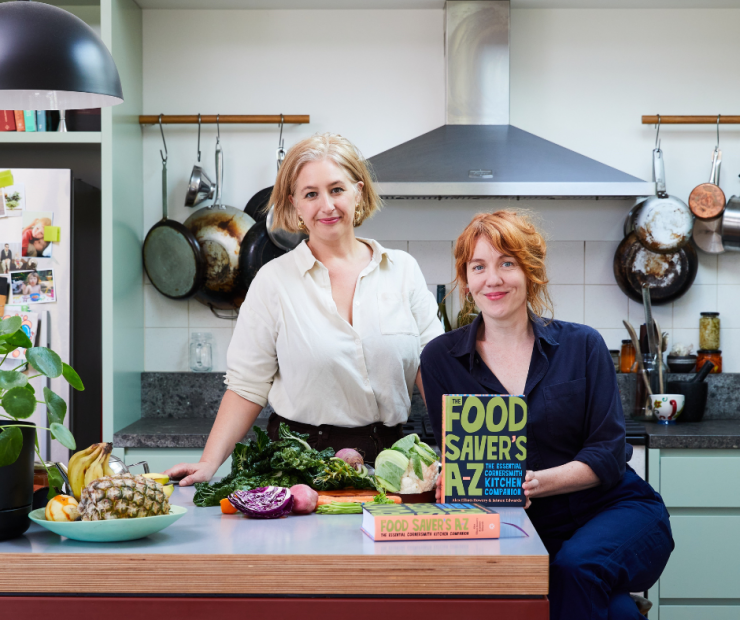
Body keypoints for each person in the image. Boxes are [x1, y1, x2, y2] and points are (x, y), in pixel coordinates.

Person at [420, 211, 674, 620]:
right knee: (616, 612)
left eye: (507, 263)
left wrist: (534, 483)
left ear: (531, 271)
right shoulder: (440, 359)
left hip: (613, 511)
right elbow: (460, 459)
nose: (493, 279)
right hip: (526, 531)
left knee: (575, 567)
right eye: (479, 267)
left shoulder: (584, 346)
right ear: (466, 281)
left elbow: (609, 454)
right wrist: (450, 478)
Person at [166, 133, 443, 486]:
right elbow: (246, 387)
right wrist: (208, 463)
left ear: (358, 191)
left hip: (394, 468)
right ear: (295, 204)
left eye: (337, 189)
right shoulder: (273, 282)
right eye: (311, 194)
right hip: (299, 469)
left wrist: (461, 454)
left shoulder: (402, 270)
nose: (326, 205)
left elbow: (434, 372)